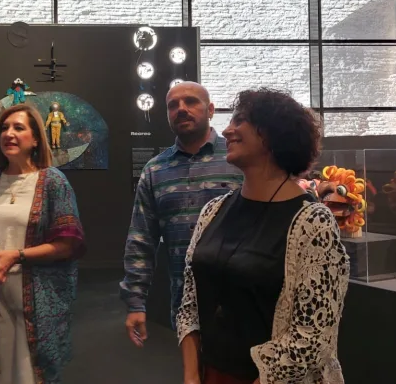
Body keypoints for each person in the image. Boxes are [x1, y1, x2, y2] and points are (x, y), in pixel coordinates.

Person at [177, 88, 350, 384]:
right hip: (210, 374)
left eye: (240, 120)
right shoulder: (213, 211)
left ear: (271, 134)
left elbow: (313, 338)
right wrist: (192, 376)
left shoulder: (313, 223)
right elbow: (190, 303)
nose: (227, 130)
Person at [0, 103, 86, 384]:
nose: (9, 133)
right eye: (4, 128)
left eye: (18, 128)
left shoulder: (53, 182)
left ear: (35, 140)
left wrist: (16, 255)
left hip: (39, 301)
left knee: (31, 374)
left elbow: (68, 245)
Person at [120, 81, 243, 347]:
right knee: (192, 368)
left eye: (191, 101)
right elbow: (141, 239)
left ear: (210, 110)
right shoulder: (155, 170)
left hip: (242, 303)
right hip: (185, 306)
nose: (181, 109)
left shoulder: (238, 160)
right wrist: (135, 301)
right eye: (173, 105)